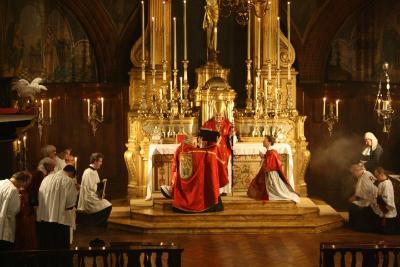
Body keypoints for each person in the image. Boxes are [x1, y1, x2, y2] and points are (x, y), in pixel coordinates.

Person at [163, 135, 228, 213]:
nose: (196, 144)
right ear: (191, 142)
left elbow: (174, 169)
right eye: (195, 142)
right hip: (198, 191)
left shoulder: (180, 149)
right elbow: (209, 153)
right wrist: (216, 145)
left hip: (184, 185)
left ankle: (181, 200)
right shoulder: (198, 152)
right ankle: (199, 205)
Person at [247, 136, 299, 203]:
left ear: (269, 142)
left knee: (272, 190)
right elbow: (268, 158)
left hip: (271, 174)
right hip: (267, 172)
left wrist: (264, 161)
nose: (263, 141)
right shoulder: (270, 151)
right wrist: (263, 156)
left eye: (265, 140)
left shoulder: (272, 152)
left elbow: (270, 165)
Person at [36, 165, 78, 249]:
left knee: (46, 247)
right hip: (60, 221)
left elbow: (40, 196)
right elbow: (70, 204)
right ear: (71, 173)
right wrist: (76, 191)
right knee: (59, 248)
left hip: (44, 219)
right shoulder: (69, 181)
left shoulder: (46, 178)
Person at [202, 101, 234, 195]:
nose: (218, 117)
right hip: (212, 150)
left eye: (220, 115)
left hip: (224, 151)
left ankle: (223, 190)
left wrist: (231, 135)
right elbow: (203, 136)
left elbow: (232, 138)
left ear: (223, 114)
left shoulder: (228, 124)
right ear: (214, 114)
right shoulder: (208, 123)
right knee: (213, 169)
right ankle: (213, 188)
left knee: (223, 169)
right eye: (217, 115)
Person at [77, 153, 112, 227]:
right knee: (108, 205)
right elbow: (92, 188)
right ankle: (96, 223)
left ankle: (97, 223)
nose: (101, 163)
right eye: (100, 161)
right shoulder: (89, 172)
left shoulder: (92, 171)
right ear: (95, 161)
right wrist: (102, 185)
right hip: (89, 198)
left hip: (92, 195)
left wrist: (102, 184)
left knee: (106, 202)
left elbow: (95, 185)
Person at [0, 171, 30, 250]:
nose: (23, 187)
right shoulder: (13, 190)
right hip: (4, 228)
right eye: (26, 184)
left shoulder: (1, 183)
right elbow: (13, 211)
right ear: (22, 181)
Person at [348, 164, 377, 232]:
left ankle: (357, 227)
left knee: (353, 206)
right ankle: (353, 225)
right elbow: (361, 189)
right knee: (351, 204)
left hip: (370, 200)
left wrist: (355, 197)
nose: (353, 175)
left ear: (357, 171)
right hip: (364, 198)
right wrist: (355, 196)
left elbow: (368, 191)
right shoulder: (363, 174)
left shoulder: (366, 175)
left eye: (353, 173)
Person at [371, 167, 398, 234]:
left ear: (382, 174)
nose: (376, 178)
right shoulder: (382, 183)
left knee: (386, 232)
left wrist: (379, 199)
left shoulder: (386, 184)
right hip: (382, 207)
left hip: (386, 210)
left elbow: (387, 199)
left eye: (377, 176)